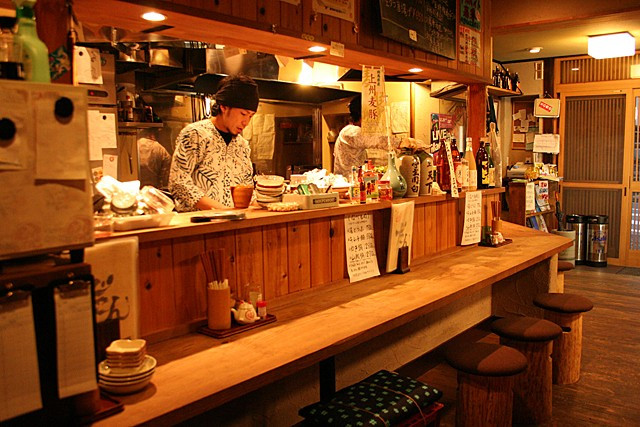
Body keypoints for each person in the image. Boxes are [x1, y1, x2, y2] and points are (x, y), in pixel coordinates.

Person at [169, 75, 259, 211]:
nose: (246, 122)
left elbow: (247, 187)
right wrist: (221, 210)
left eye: (250, 116)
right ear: (224, 107)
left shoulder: (242, 145)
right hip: (199, 225)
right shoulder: (196, 134)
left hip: (234, 224)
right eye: (243, 114)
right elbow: (178, 182)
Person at [333, 94, 388, 176]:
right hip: (347, 184)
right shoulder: (351, 132)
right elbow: (376, 140)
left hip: (351, 183)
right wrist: (403, 143)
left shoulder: (349, 130)